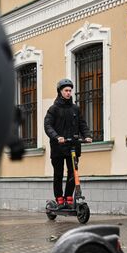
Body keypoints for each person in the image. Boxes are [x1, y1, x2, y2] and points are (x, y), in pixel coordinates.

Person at [44, 78, 92, 206]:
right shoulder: (53, 109)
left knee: (73, 172)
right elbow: (48, 126)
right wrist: (56, 136)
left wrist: (86, 135)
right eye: (66, 90)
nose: (68, 93)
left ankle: (68, 197)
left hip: (73, 146)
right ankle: (59, 197)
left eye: (70, 90)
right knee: (58, 173)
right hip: (58, 147)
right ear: (60, 92)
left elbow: (82, 124)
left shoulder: (75, 109)